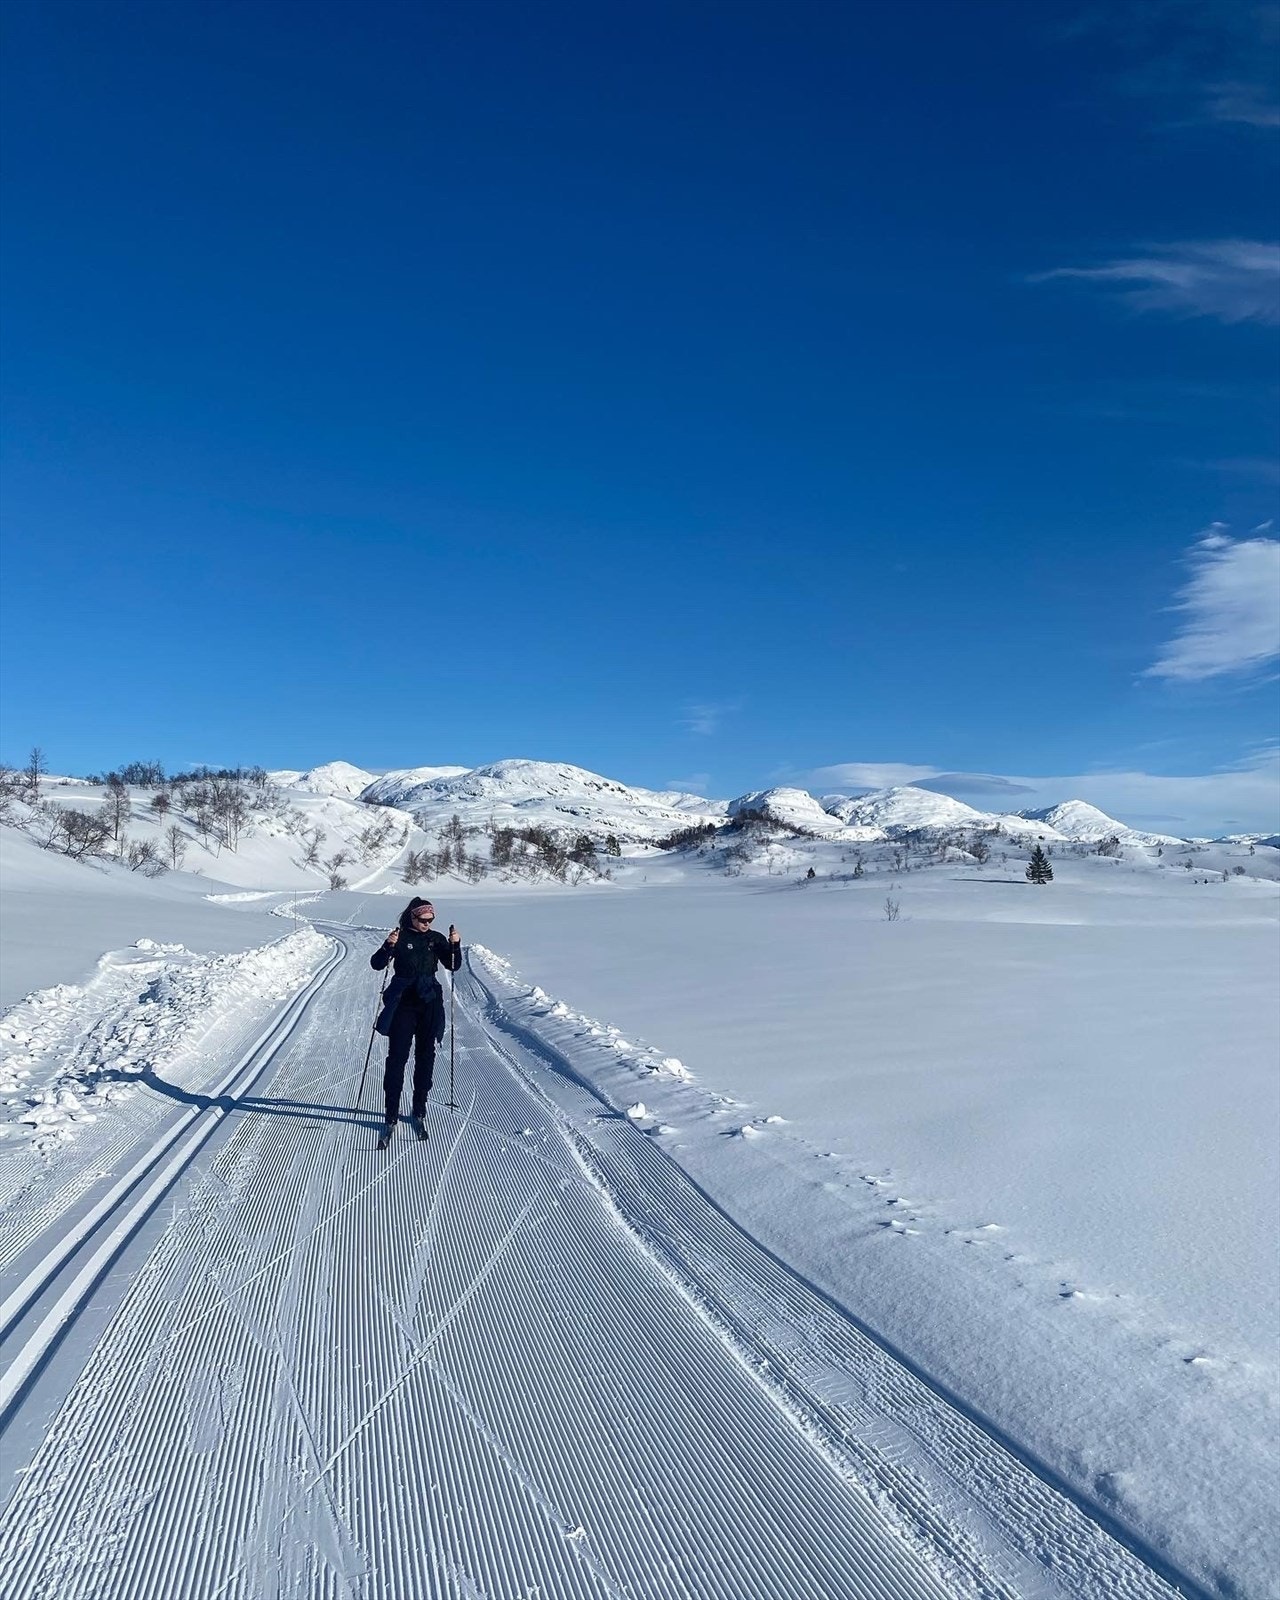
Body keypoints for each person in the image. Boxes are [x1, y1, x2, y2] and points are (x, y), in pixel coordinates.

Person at [370, 896, 462, 1142]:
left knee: (426, 1056)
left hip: (429, 1001)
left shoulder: (436, 939)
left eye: (431, 920)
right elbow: (377, 964)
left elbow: (453, 965)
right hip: (403, 1003)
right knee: (397, 1058)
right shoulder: (400, 938)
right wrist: (388, 946)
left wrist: (455, 944)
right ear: (412, 916)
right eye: (423, 919)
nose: (427, 924)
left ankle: (419, 1107)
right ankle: (391, 1112)